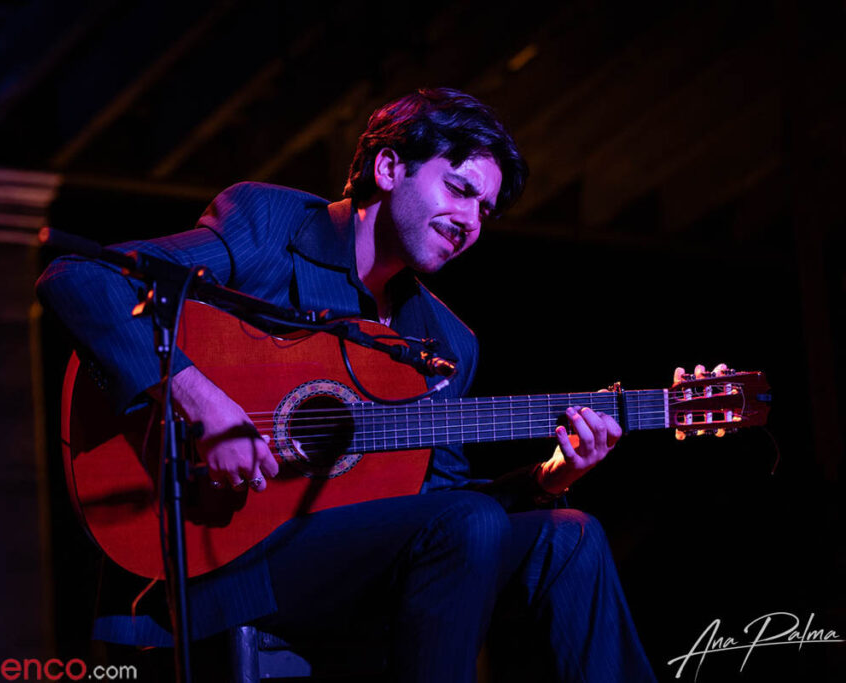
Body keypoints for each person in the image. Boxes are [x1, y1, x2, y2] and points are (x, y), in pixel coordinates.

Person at [37, 88, 657, 682]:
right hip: (225, 558)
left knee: (571, 536)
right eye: (460, 189)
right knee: (467, 521)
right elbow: (80, 278)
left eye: (484, 210)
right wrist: (203, 402)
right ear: (389, 167)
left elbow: (443, 495)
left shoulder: (446, 341)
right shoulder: (271, 226)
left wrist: (550, 478)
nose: (470, 221)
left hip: (356, 569)